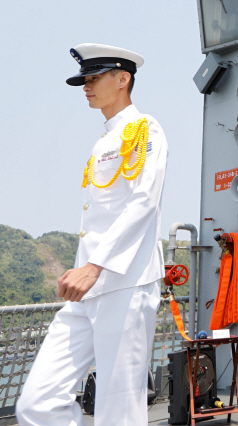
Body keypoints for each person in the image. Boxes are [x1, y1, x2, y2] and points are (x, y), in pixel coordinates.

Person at [16, 43, 168, 425]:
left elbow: (142, 203)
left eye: (94, 77)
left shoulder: (145, 129)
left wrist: (94, 266)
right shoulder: (104, 141)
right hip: (86, 291)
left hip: (124, 283)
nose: (86, 85)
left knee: (119, 411)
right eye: (85, 79)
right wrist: (83, 269)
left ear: (123, 78)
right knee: (38, 402)